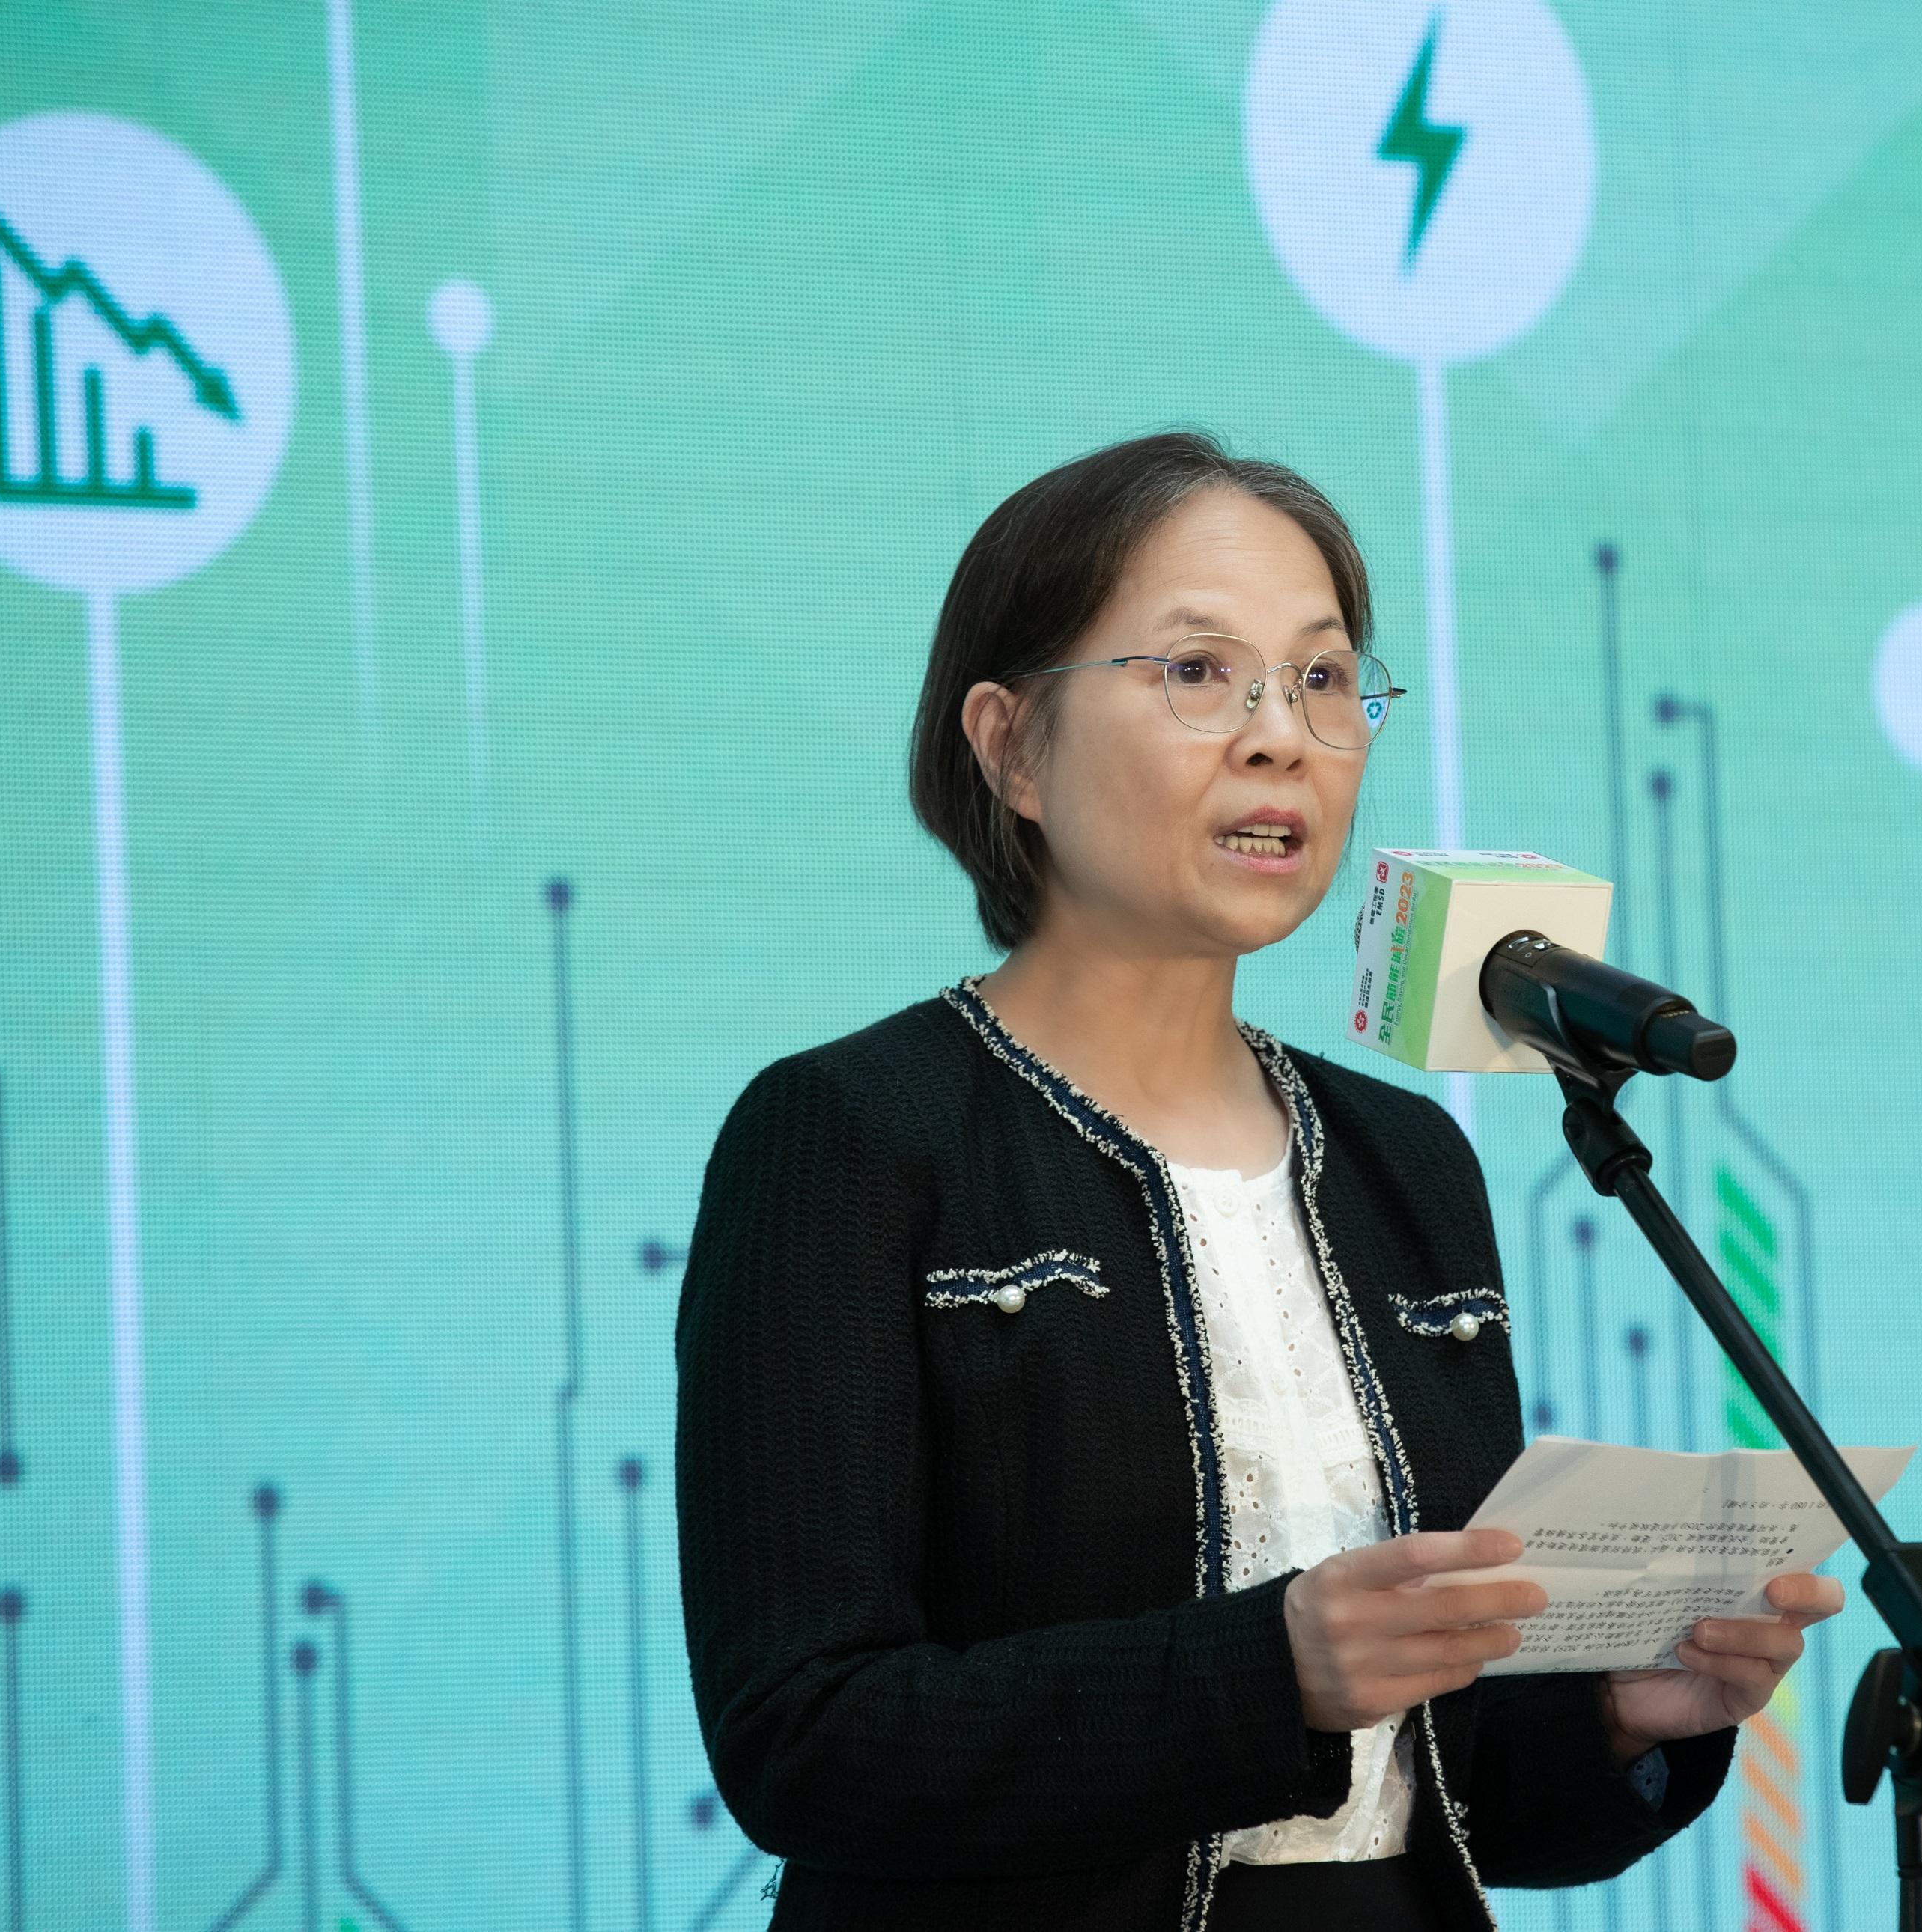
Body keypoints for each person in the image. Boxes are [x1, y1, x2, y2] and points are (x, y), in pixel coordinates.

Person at [673, 430, 1846, 1931]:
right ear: (1010, 745)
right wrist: (1265, 1667)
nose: (1281, 735)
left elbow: (1452, 1790)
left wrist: (1619, 1712)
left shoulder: (1401, 1156)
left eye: (1322, 677)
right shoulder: (848, 1135)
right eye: (1194, 671)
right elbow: (804, 1738)